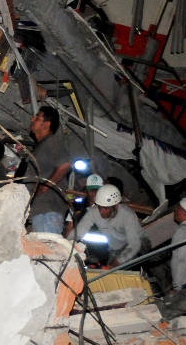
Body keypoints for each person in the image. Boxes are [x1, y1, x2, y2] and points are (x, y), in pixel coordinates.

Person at [28, 105, 74, 234]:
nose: (32, 119)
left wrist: (45, 187)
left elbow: (65, 165)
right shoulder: (41, 147)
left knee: (47, 250)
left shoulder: (52, 142)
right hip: (41, 210)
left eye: (37, 117)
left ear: (46, 124)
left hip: (48, 210)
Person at [73, 184, 143, 267]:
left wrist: (112, 266)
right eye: (99, 207)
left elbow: (134, 246)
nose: (102, 212)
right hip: (100, 256)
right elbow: (78, 233)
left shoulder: (127, 216)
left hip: (125, 256)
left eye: (106, 208)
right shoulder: (93, 213)